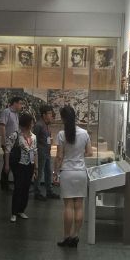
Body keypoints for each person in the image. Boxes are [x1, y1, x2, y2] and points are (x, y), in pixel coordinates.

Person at [54, 105, 93, 248]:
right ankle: (75, 235)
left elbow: (59, 156)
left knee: (68, 206)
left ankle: (66, 236)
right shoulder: (84, 133)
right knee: (79, 206)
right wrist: (79, 155)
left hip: (67, 172)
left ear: (63, 118)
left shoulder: (61, 134)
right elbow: (90, 153)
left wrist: (55, 172)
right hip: (81, 172)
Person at [4, 113, 38, 223]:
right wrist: (7, 164)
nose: (32, 124)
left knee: (26, 188)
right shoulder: (16, 135)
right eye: (31, 122)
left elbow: (35, 152)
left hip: (30, 165)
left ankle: (21, 210)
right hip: (19, 164)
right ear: (27, 123)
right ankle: (14, 212)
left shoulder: (33, 136)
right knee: (18, 187)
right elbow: (7, 150)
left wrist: (36, 167)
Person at [32, 105, 59, 201]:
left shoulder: (46, 124)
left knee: (48, 172)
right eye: (49, 113)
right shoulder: (39, 125)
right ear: (44, 115)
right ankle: (37, 192)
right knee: (39, 173)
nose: (51, 115)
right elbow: (34, 140)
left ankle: (49, 191)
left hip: (46, 152)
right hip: (40, 152)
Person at [0, 96, 23, 190]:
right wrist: (4, 141)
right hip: (8, 142)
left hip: (15, 142)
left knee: (10, 162)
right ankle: (4, 185)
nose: (21, 105)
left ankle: (6, 184)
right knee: (7, 162)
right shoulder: (6, 112)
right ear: (15, 103)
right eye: (20, 103)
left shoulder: (16, 114)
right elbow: (2, 126)